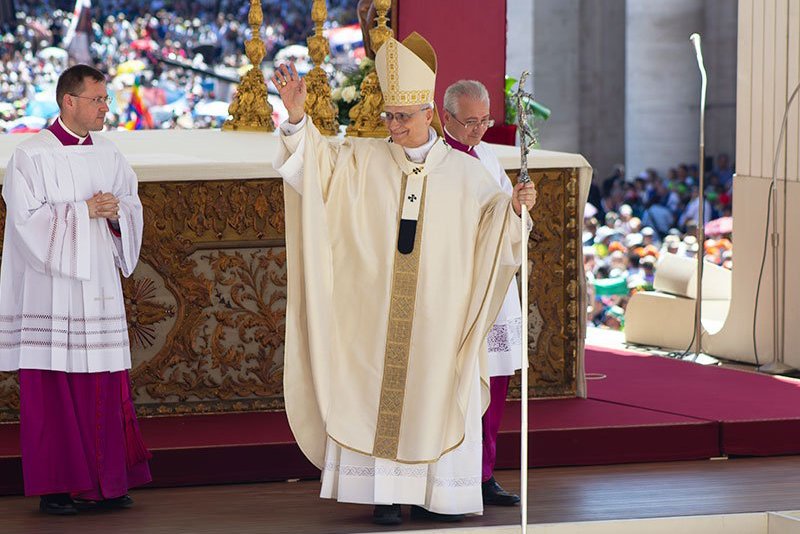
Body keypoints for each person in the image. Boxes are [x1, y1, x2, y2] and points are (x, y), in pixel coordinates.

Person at [271, 33, 535, 526]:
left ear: (430, 114)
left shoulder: (467, 172)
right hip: (375, 313)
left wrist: (515, 210)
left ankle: (442, 496)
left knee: (435, 392)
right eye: (389, 116)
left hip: (439, 314)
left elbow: (497, 229)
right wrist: (296, 119)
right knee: (379, 394)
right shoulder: (362, 161)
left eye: (404, 117)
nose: (393, 126)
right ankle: (385, 496)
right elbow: (314, 168)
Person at [0, 64, 151, 515]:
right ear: (70, 101)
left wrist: (117, 213)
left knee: (104, 382)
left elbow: (131, 202)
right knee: (55, 385)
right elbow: (25, 224)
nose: (107, 107)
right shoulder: (31, 156)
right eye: (98, 100)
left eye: (105, 99)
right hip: (53, 289)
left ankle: (107, 483)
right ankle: (59, 486)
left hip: (99, 283)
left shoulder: (108, 153)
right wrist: (81, 211)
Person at [441, 79, 521, 507]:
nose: (479, 129)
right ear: (446, 117)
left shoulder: (487, 153)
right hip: (462, 288)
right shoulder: (439, 159)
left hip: (498, 283)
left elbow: (507, 215)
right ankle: (454, 474)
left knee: (496, 380)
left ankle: (484, 473)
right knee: (462, 385)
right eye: (470, 121)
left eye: (485, 120)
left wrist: (520, 205)